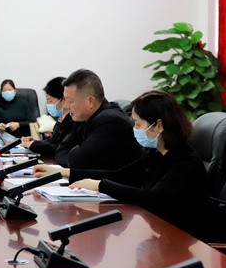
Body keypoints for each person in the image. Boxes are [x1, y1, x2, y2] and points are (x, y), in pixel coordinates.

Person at [34, 91, 208, 235]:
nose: (135, 130)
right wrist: (65, 173)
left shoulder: (185, 161)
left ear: (159, 126)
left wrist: (100, 185)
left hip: (182, 236)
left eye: (138, 124)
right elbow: (120, 175)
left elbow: (153, 198)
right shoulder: (156, 153)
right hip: (159, 228)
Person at [41, 69, 140, 172]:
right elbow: (60, 150)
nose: (66, 106)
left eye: (70, 101)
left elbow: (77, 161)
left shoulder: (111, 121)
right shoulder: (83, 117)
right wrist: (72, 155)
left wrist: (72, 155)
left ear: (90, 101)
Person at [22, 76, 74, 158]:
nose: (48, 105)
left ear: (64, 99)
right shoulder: (62, 118)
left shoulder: (73, 120)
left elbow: (59, 149)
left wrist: (33, 145)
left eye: (50, 101)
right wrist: (34, 141)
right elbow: (53, 141)